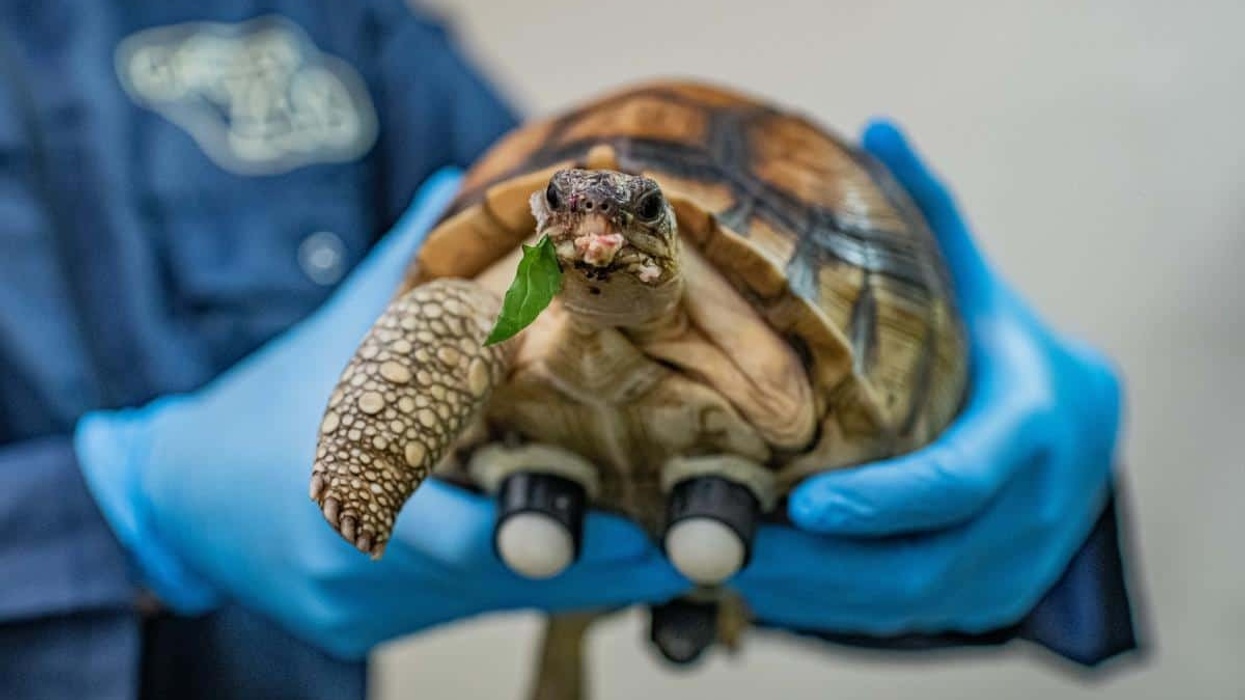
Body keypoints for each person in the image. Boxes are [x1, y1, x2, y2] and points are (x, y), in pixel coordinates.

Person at [0, 1, 1142, 698]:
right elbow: (458, 311)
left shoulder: (335, 25)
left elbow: (820, 496)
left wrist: (1016, 488)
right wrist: (112, 522)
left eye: (623, 220)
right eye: (571, 225)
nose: (591, 236)